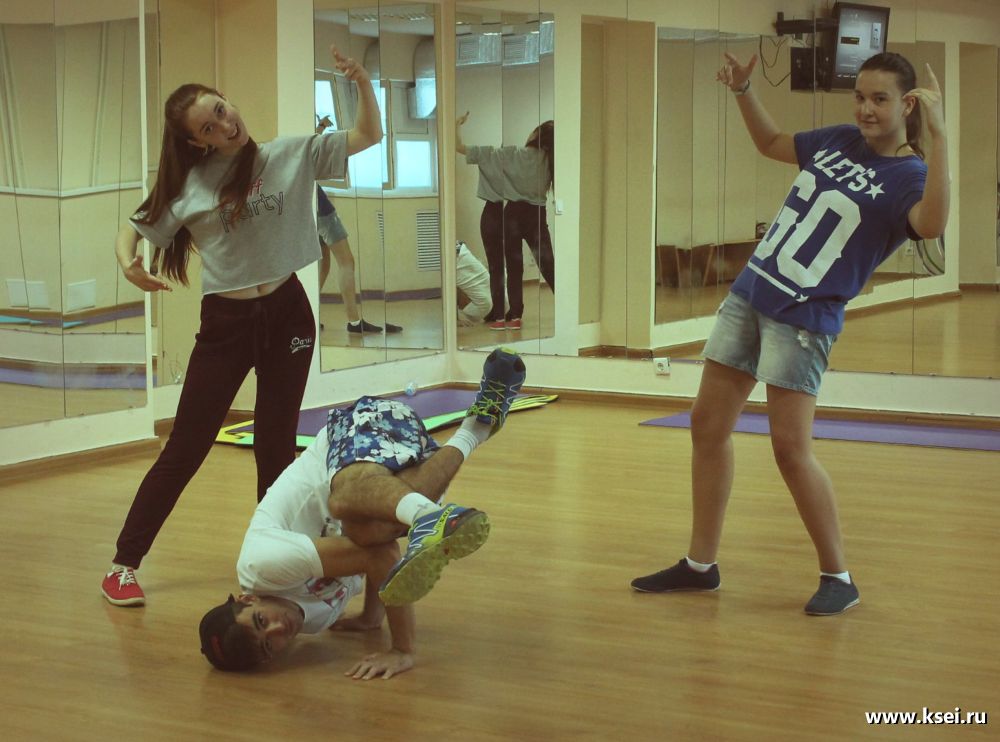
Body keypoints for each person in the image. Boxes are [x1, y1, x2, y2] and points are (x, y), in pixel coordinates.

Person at [632, 52, 948, 616]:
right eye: (860, 97)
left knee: (790, 450)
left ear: (907, 105)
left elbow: (932, 224)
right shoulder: (839, 140)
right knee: (707, 426)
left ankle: (838, 576)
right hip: (750, 296)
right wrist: (744, 89)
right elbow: (772, 142)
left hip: (804, 318)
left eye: (879, 99)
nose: (866, 109)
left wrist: (941, 136)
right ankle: (701, 566)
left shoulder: (911, 176)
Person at [102, 46, 382, 607]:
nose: (225, 125)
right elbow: (137, 224)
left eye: (221, 110)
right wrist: (127, 262)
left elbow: (367, 135)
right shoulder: (190, 186)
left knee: (276, 445)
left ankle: (278, 565)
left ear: (227, 101)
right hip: (226, 324)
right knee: (187, 446)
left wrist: (362, 82)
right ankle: (122, 565)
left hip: (288, 313)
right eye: (209, 127)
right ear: (197, 142)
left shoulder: (291, 154)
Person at [198, 347, 527, 677]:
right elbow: (376, 551)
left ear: (248, 600)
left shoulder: (262, 565)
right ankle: (476, 428)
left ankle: (427, 515)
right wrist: (372, 616)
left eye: (261, 621)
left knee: (342, 502)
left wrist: (402, 650)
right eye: (269, 646)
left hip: (359, 428)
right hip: (402, 477)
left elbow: (381, 559)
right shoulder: (313, 623)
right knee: (368, 530)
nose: (278, 629)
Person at [456, 113, 555, 331]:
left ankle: (514, 317)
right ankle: (568, 306)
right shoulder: (551, 159)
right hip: (536, 214)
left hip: (513, 214)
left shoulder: (512, 154)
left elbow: (460, 147)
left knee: (514, 267)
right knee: (548, 264)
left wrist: (456, 125)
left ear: (536, 135)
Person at [316, 185, 402, 335]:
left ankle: (307, 313)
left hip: (311, 211)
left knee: (324, 264)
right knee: (346, 262)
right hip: (322, 210)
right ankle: (354, 322)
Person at [455, 240, 495, 326]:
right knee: (485, 302)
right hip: (454, 255)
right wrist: (456, 319)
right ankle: (457, 316)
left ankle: (458, 316)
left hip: (460, 251)